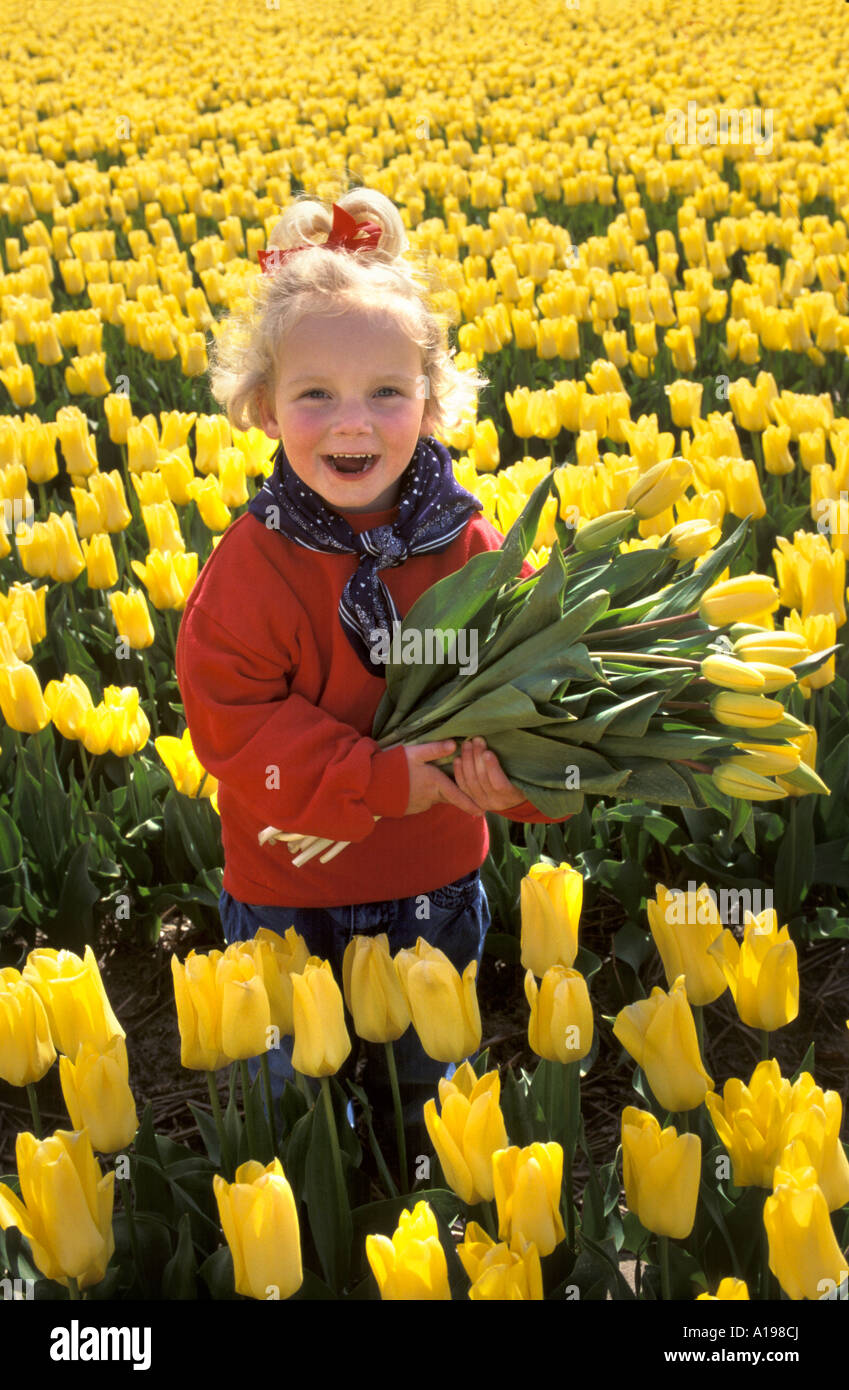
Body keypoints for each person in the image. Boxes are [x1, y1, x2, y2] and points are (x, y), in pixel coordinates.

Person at [175, 184, 568, 1147]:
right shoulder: (252, 568)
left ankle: (418, 1202)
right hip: (284, 886)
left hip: (431, 877)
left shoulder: (476, 549)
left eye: (386, 393)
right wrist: (376, 778)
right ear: (265, 409)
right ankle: (308, 1216)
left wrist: (512, 780)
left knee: (428, 1094)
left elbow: (533, 690)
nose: (353, 422)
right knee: (288, 1100)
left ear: (432, 403)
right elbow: (236, 729)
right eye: (316, 395)